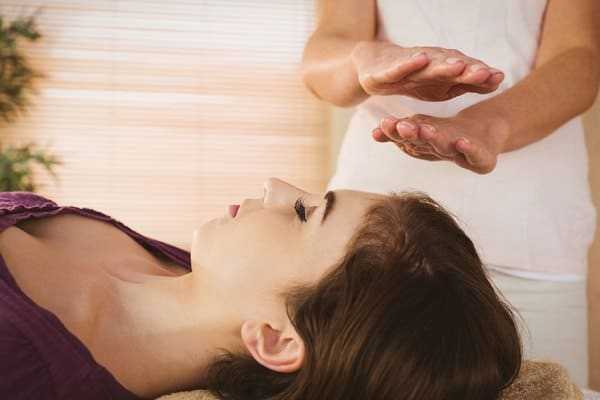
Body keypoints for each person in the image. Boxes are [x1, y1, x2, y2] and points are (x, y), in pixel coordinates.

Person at [301, 0, 600, 388]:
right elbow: (323, 60)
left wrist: (486, 125)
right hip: (375, 235)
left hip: (531, 230)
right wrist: (365, 62)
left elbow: (577, 58)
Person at [0, 178, 522, 399]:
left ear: (277, 338)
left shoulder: (20, 365)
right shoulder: (185, 270)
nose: (276, 185)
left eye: (304, 214)